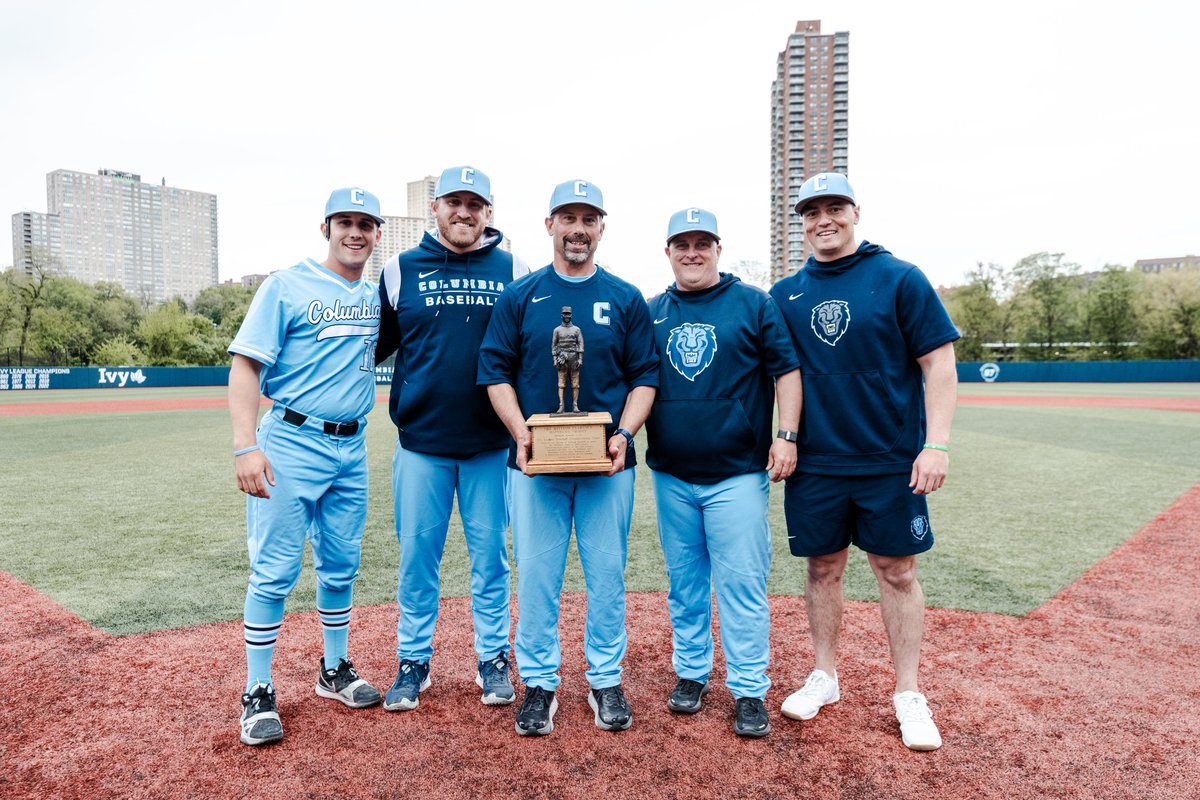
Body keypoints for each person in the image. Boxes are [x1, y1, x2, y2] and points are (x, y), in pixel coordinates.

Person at [768, 173, 959, 751]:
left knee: (897, 572)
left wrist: (938, 443)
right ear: (800, 221)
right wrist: (783, 436)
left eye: (834, 207)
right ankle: (825, 677)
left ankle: (908, 692)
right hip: (817, 463)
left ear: (855, 212)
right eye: (811, 211)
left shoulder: (899, 277)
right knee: (822, 569)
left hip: (891, 461)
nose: (823, 219)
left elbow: (939, 364)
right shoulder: (786, 293)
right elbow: (779, 375)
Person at [478, 179, 659, 736]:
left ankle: (605, 678)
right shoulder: (522, 294)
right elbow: (495, 373)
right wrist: (520, 434)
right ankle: (539, 682)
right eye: (567, 217)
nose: (577, 229)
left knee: (606, 574)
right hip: (536, 465)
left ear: (602, 227)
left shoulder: (626, 296)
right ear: (549, 224)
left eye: (589, 218)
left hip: (607, 464)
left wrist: (624, 435)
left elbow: (644, 379)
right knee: (536, 575)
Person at [229, 187, 386, 746]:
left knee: (341, 565)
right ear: (326, 228)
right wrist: (246, 446)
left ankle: (334, 670)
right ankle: (257, 690)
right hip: (291, 440)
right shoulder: (286, 284)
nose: (355, 233)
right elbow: (246, 365)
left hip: (352, 447)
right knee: (274, 571)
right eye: (345, 222)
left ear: (376, 234)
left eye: (366, 225)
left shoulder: (374, 297)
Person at [375, 165, 528, 712]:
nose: (464, 212)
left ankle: (492, 659)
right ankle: (413, 661)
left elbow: (527, 353)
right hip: (421, 444)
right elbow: (374, 347)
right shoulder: (399, 268)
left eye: (476, 204)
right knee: (418, 558)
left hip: (491, 445)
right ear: (435, 206)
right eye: (454, 202)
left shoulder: (515, 267)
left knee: (491, 559)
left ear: (489, 211)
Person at [645, 208, 802, 738]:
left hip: (737, 473)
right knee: (685, 585)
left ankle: (749, 688)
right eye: (681, 243)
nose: (692, 252)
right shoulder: (651, 311)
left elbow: (787, 371)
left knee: (742, 584)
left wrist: (787, 435)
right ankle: (691, 674)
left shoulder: (754, 303)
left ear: (718, 248)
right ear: (667, 251)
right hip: (671, 473)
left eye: (702, 243)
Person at [551, 306, 584, 413]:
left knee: (575, 384)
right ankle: (561, 405)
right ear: (561, 315)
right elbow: (554, 345)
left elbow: (580, 344)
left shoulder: (576, 330)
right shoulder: (557, 330)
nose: (567, 316)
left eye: (568, 314)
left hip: (574, 359)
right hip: (562, 360)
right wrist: (555, 359)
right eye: (565, 314)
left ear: (571, 315)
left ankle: (575, 405)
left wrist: (580, 359)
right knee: (561, 384)